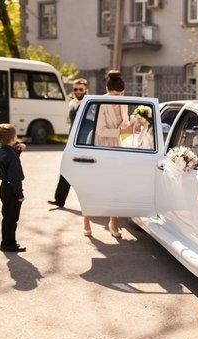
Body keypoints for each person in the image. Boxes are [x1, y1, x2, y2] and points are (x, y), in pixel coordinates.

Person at [82, 70, 132, 238]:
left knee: (115, 185)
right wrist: (121, 131)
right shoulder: (101, 103)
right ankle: (86, 220)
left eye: (121, 94)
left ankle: (113, 223)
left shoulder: (124, 102)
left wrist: (132, 124)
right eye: (115, 94)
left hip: (117, 145)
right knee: (94, 185)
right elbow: (101, 130)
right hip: (100, 145)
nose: (119, 97)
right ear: (108, 90)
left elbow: (125, 121)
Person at [48, 78, 89, 208]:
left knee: (86, 173)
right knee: (66, 169)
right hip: (71, 142)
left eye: (81, 89)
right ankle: (59, 200)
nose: (78, 91)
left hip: (84, 143)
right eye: (75, 89)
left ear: (86, 90)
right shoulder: (72, 103)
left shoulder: (90, 104)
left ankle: (90, 202)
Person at [0, 124, 26, 252]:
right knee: (12, 219)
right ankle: (9, 244)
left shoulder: (2, 150)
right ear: (13, 138)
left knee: (7, 217)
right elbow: (15, 178)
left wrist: (18, 150)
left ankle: (5, 242)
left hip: (4, 188)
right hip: (12, 190)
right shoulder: (12, 156)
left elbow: (9, 158)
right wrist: (20, 195)